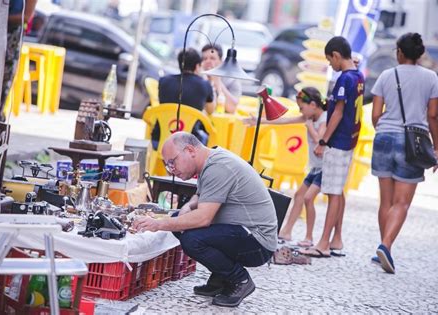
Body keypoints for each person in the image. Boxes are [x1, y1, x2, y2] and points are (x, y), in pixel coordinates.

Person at [133, 132, 277, 307]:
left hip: (258, 243)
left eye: (172, 162)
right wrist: (188, 206)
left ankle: (240, 280)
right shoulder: (210, 160)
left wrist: (158, 224)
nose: (171, 169)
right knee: (180, 220)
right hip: (241, 232)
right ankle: (221, 278)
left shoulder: (219, 167)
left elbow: (203, 218)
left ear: (190, 150)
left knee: (192, 239)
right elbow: (202, 194)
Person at [370, 33, 438, 274]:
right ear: (419, 54)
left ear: (400, 52)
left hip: (384, 137)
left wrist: (385, 130)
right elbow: (433, 115)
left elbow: (375, 115)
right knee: (401, 203)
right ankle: (386, 245)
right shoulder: (431, 78)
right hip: (414, 142)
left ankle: (383, 248)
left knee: (386, 202)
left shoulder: (386, 76)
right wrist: (437, 146)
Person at [301, 36, 364, 258]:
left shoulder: (344, 79)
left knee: (333, 193)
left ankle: (324, 243)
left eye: (330, 61)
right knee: (338, 191)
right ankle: (336, 239)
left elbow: (337, 112)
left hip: (338, 142)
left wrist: (323, 140)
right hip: (350, 139)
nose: (331, 65)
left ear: (336, 55)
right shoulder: (358, 75)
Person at [244, 87, 327, 248]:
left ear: (313, 105)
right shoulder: (309, 116)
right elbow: (284, 120)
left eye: (302, 107)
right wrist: (259, 121)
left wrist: (309, 126)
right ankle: (286, 231)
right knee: (299, 195)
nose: (301, 111)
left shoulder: (323, 118)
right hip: (315, 167)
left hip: (325, 167)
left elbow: (320, 141)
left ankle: (309, 237)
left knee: (308, 198)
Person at [158, 48, 214, 114]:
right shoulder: (205, 85)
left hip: (165, 123)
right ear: (197, 66)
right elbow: (210, 111)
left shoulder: (163, 81)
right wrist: (211, 83)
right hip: (192, 124)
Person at [201, 44, 242, 113]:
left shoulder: (232, 81)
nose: (208, 61)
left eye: (212, 58)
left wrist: (217, 82)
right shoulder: (198, 79)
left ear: (221, 61)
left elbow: (231, 108)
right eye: (205, 59)